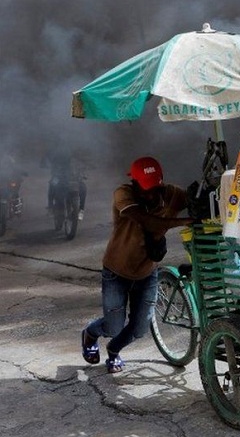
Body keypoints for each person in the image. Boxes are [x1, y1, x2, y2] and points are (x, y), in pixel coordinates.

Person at [81, 156, 194, 373]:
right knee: (113, 326)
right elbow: (147, 221)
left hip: (147, 273)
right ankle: (90, 333)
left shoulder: (172, 194)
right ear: (134, 183)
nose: (150, 194)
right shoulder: (123, 194)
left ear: (161, 183)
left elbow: (194, 201)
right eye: (145, 190)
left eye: (155, 189)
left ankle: (113, 351)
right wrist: (184, 221)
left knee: (139, 328)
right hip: (116, 272)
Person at [42, 145, 88, 221]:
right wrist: (55, 174)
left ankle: (81, 210)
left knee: (83, 188)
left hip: (72, 181)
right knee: (52, 185)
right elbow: (50, 167)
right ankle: (50, 207)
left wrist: (82, 175)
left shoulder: (74, 161)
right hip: (59, 179)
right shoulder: (56, 160)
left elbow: (80, 170)